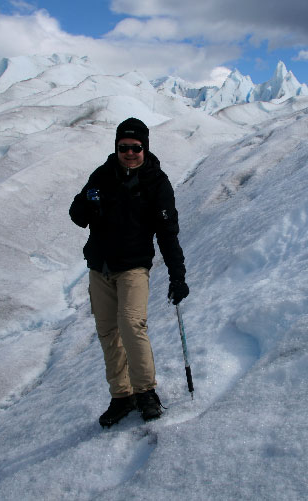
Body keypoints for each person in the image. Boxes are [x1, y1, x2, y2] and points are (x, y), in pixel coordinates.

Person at [70, 117, 189, 427]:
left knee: (131, 325)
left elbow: (167, 233)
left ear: (145, 148)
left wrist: (178, 276)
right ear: (117, 147)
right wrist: (87, 203)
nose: (130, 153)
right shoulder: (102, 175)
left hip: (134, 267)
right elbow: (77, 215)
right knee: (108, 332)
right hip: (100, 267)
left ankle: (146, 391)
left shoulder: (156, 183)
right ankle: (122, 396)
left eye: (136, 147)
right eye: (124, 147)